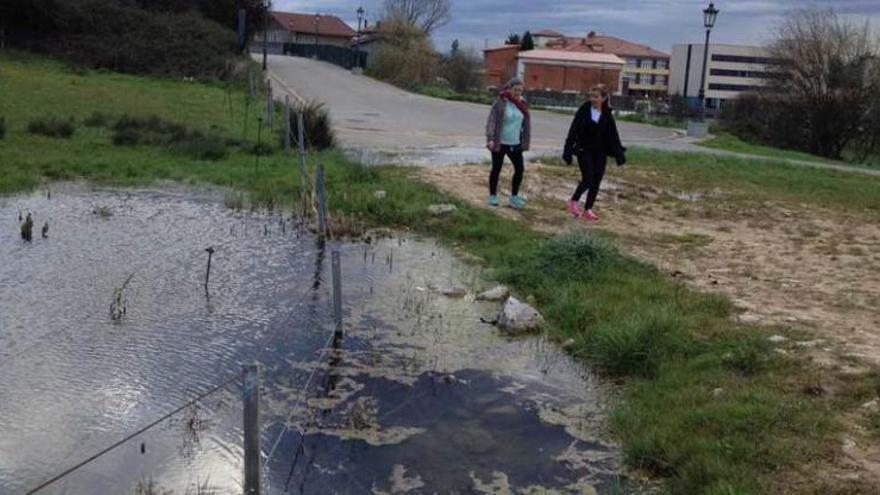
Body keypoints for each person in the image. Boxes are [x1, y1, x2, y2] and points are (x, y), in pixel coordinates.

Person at [562, 84, 626, 221]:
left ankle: (588, 209)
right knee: (588, 178)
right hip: (583, 150)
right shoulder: (584, 111)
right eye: (591, 96)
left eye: (596, 97)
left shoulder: (607, 115)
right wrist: (567, 149)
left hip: (600, 152)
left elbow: (613, 136)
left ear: (603, 98)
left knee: (596, 181)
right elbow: (573, 130)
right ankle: (573, 201)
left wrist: (619, 154)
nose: (593, 99)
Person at [485, 78, 531, 209]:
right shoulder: (500, 103)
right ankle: (493, 195)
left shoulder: (523, 103)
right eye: (515, 90)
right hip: (500, 143)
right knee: (496, 169)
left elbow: (525, 123)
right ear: (509, 89)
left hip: (515, 143)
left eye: (520, 90)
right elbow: (491, 122)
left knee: (520, 169)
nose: (517, 92)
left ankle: (514, 197)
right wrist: (490, 139)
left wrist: (525, 140)